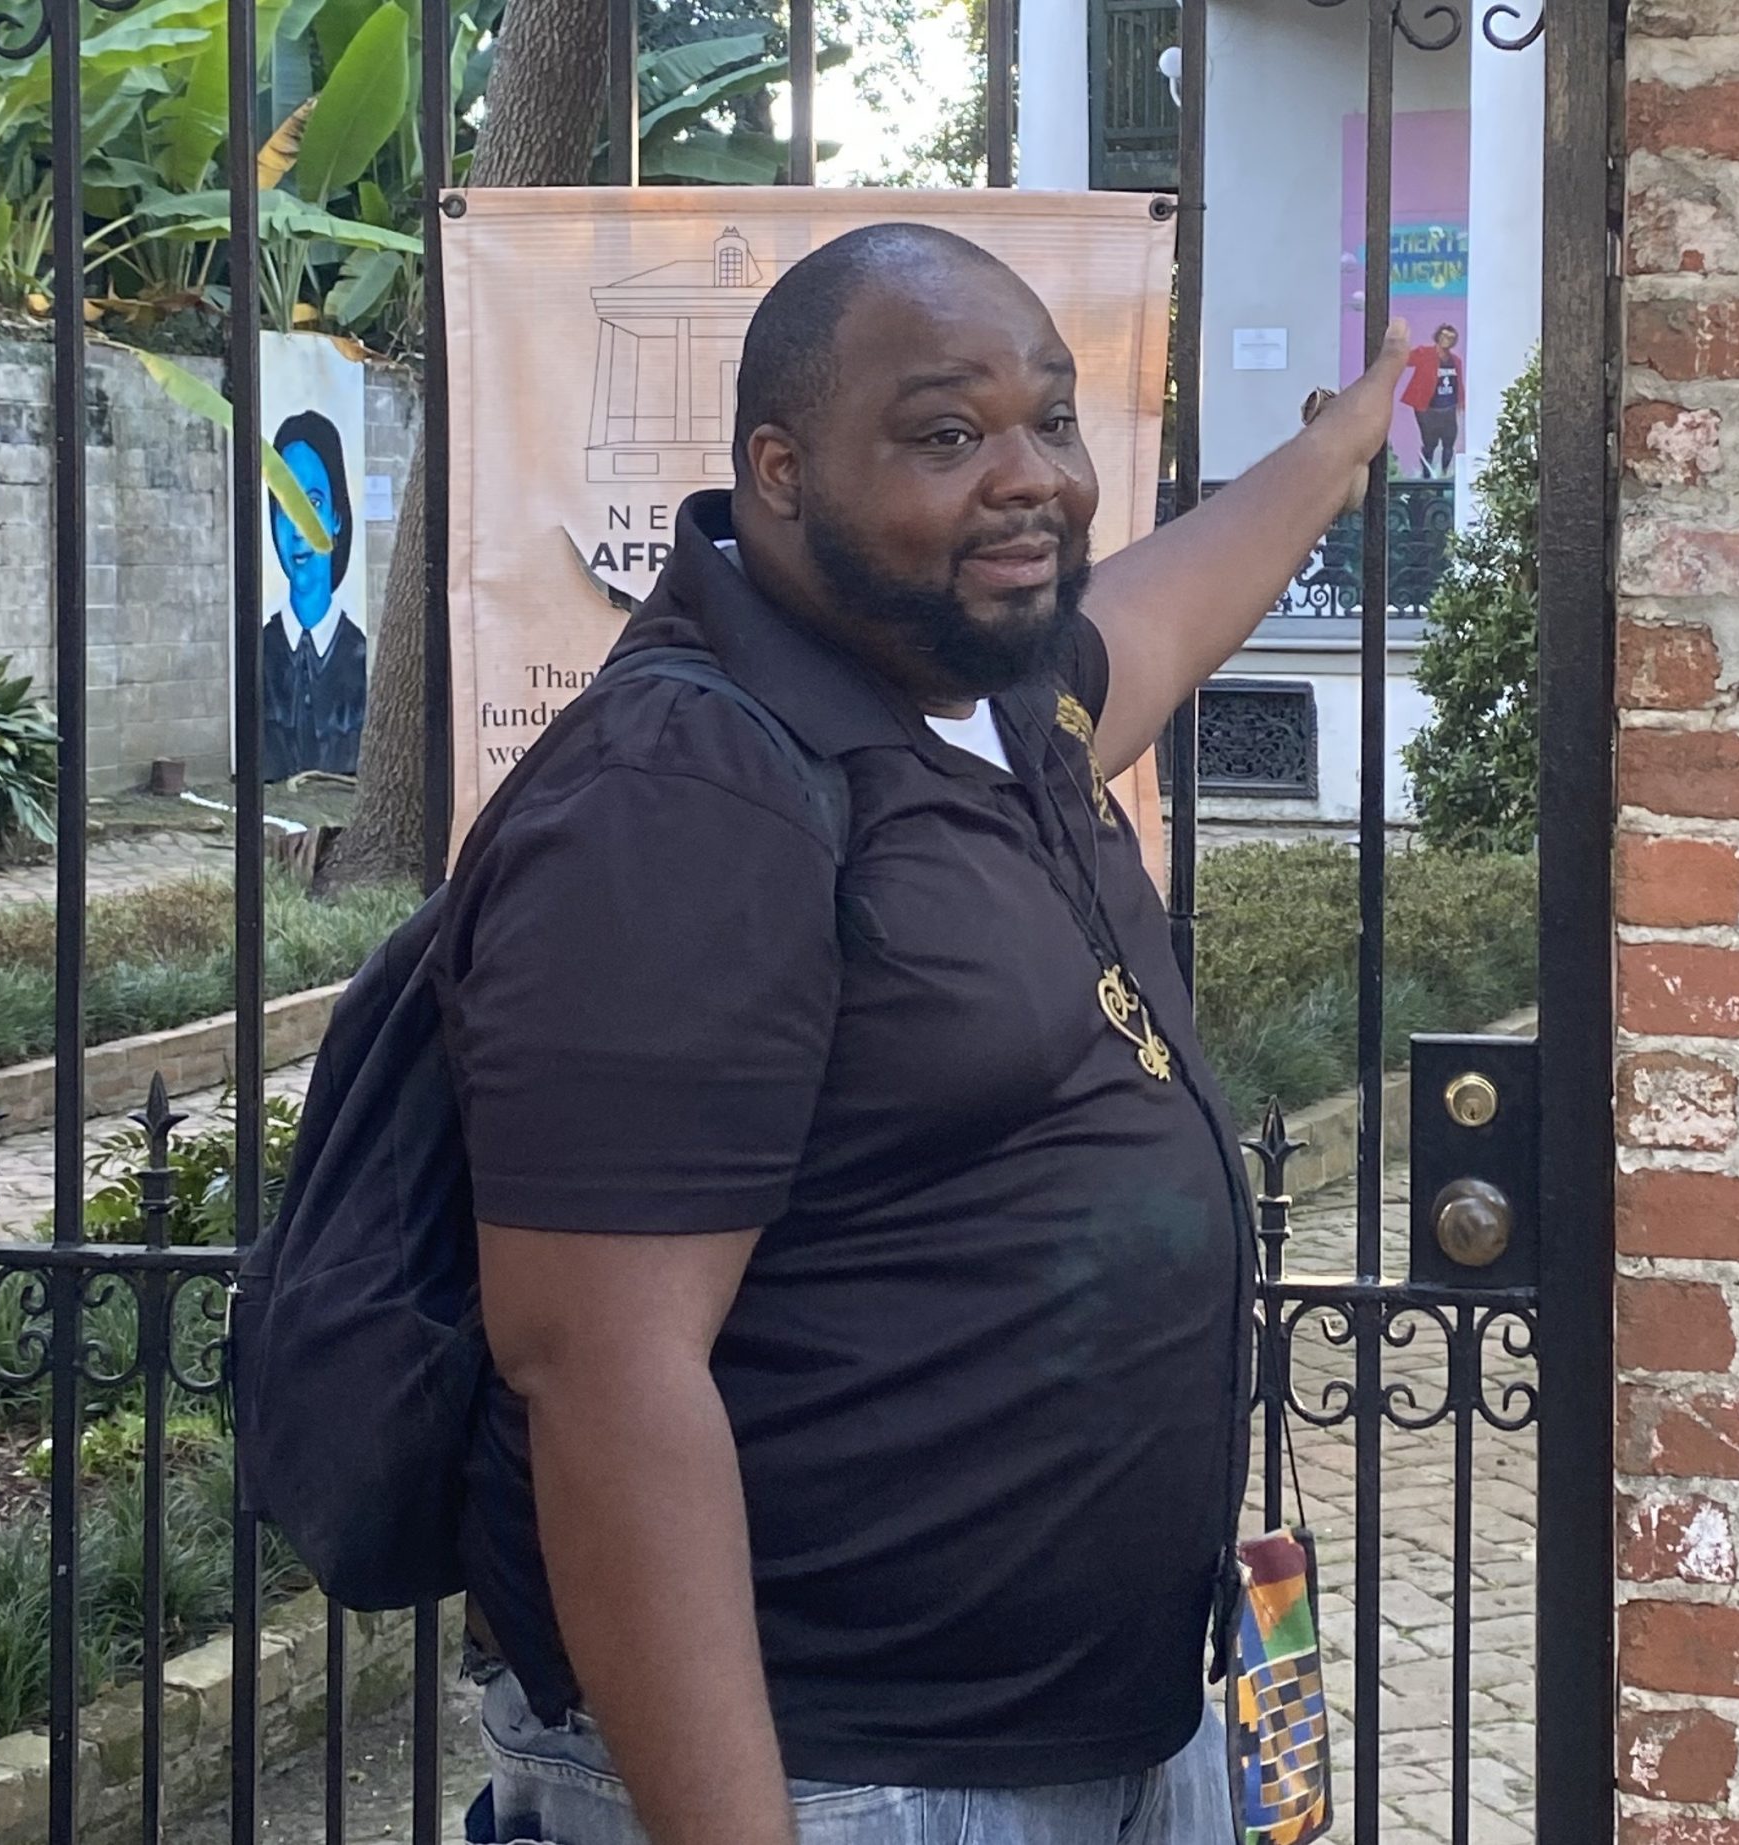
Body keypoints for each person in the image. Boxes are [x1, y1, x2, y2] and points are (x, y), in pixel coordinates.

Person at [444, 223, 1407, 1845]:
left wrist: (1337, 449)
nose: (1033, 477)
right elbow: (600, 1371)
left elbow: (1158, 624)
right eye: (949, 436)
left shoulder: (984, 694)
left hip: (1103, 1735)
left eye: (1052, 420)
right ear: (780, 469)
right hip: (845, 1776)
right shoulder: (691, 788)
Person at [260, 409, 369, 780]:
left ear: (337, 515)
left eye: (314, 503)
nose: (298, 528)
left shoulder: (359, 654)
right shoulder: (260, 652)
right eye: (284, 504)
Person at [1400, 323, 1463, 481]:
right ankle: (1427, 476)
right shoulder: (1424, 353)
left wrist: (1461, 402)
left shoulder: (1455, 361)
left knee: (1449, 442)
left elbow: (1458, 383)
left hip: (1448, 408)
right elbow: (1404, 359)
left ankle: (1444, 474)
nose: (1446, 340)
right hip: (1427, 409)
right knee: (1430, 443)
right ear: (1438, 336)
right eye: (1443, 336)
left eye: (1450, 338)